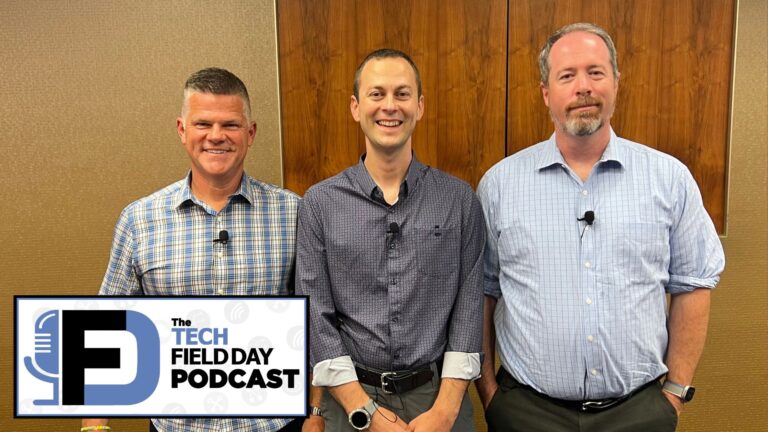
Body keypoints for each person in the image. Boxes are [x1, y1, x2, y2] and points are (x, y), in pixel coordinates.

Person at [475, 23, 726, 432]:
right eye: (567, 76)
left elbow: (694, 283)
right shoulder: (500, 185)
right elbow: (482, 293)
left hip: (639, 413)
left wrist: (674, 394)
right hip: (526, 413)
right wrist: (489, 394)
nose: (583, 87)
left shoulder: (669, 179)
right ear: (546, 93)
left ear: (616, 83)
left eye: (595, 72)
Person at [81, 67, 306, 432]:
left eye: (230, 125)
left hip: (274, 424)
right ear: (182, 130)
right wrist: (94, 426)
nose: (216, 136)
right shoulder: (139, 220)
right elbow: (105, 329)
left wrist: (315, 416)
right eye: (203, 124)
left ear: (250, 133)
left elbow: (317, 323)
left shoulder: (293, 213)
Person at [296, 49, 485, 432]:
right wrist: (364, 410)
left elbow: (469, 307)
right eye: (376, 93)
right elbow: (316, 315)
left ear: (420, 106)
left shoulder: (459, 200)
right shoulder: (320, 203)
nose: (389, 106)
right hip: (350, 401)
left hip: (438, 398)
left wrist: (446, 410)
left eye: (402, 94)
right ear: (356, 107)